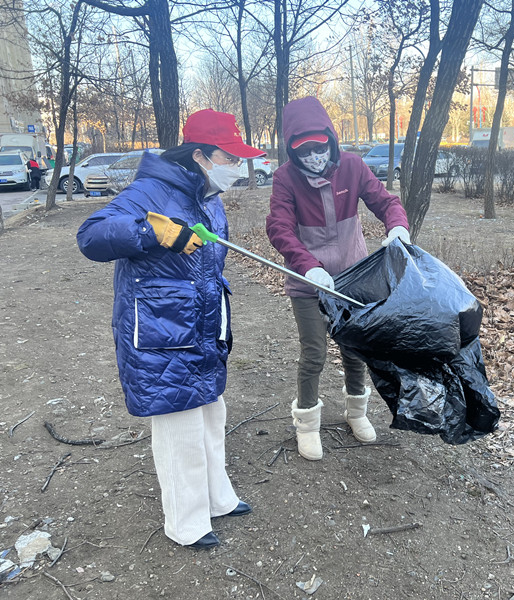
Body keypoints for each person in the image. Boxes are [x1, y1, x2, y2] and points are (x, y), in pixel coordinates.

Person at [76, 109, 263, 549]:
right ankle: (186, 522)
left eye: (239, 158)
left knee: (211, 411)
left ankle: (216, 498)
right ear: (200, 155)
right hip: (163, 331)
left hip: (202, 325)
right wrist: (151, 231)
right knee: (179, 421)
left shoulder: (207, 195)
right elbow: (91, 236)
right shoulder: (150, 190)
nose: (237, 167)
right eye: (230, 158)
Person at [266, 96, 410, 461]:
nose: (314, 157)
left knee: (354, 346)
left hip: (352, 277)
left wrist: (397, 227)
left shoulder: (352, 166)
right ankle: (307, 424)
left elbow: (386, 202)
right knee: (314, 353)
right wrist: (307, 265)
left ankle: (356, 412)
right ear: (292, 151)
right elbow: (279, 227)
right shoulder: (285, 178)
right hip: (308, 281)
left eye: (320, 148)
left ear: (331, 140)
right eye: (304, 152)